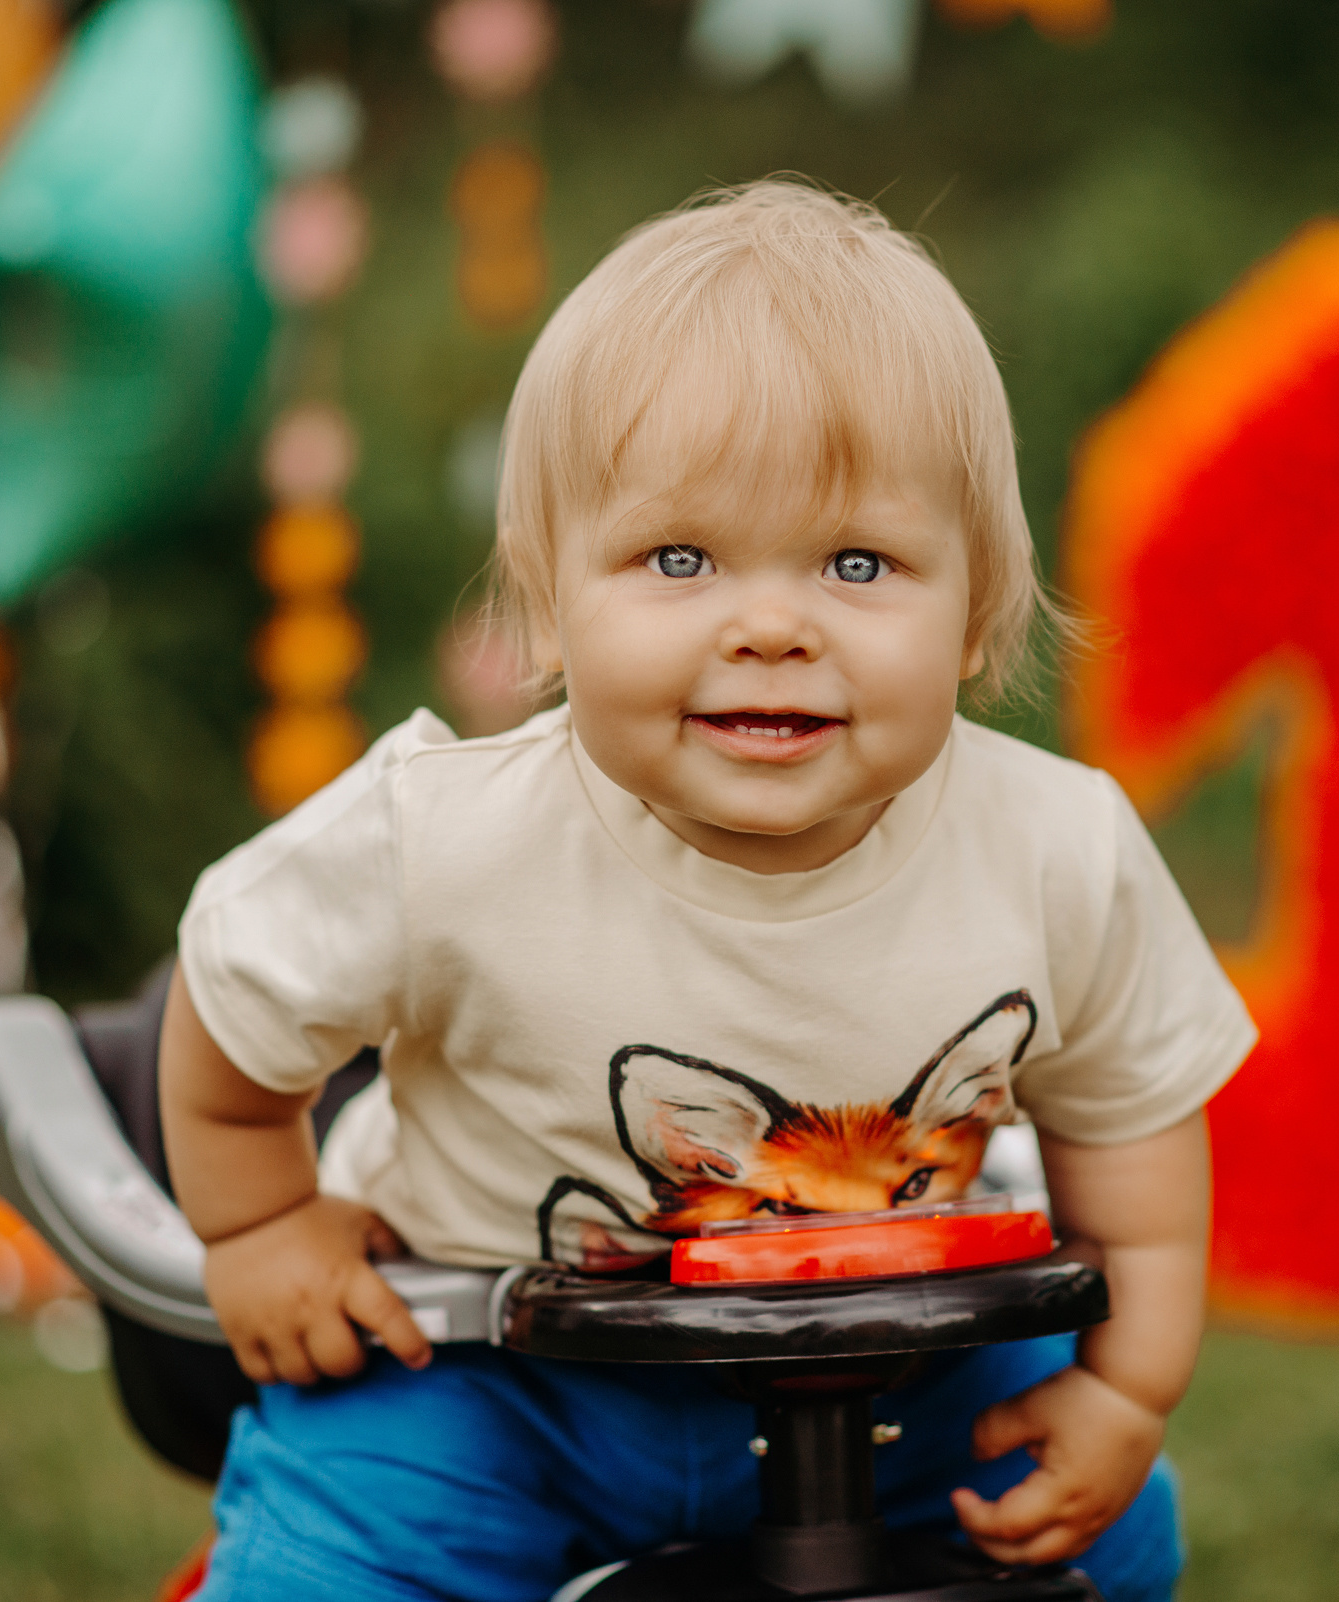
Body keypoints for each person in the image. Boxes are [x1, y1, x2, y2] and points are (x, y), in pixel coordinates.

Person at [162, 179, 1256, 1602]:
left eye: (858, 562)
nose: (771, 626)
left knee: (1116, 1539)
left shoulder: (1058, 847)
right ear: (549, 605)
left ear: (977, 609)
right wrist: (258, 1222)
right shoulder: (445, 838)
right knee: (337, 1570)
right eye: (679, 558)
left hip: (906, 1372)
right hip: (492, 1367)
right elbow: (236, 992)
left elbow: (1137, 1130)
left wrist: (1126, 1386)